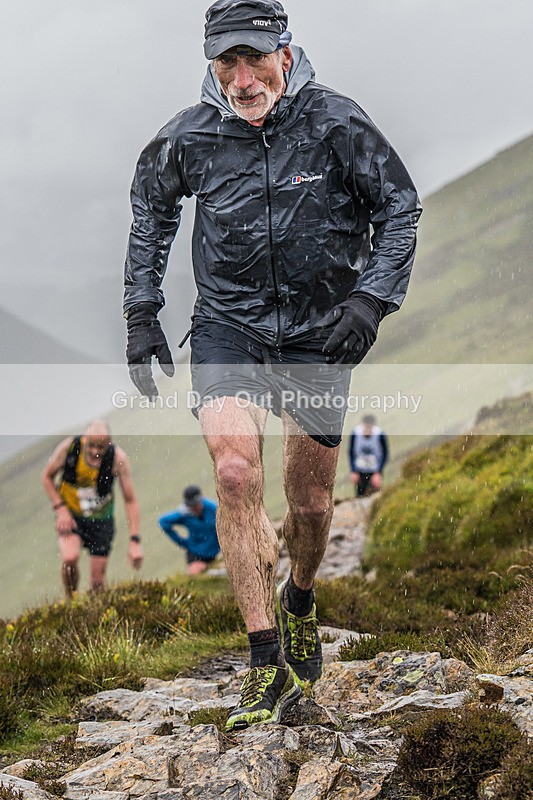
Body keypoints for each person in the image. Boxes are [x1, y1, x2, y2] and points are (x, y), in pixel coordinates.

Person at [123, 0, 421, 731]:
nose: (241, 75)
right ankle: (262, 659)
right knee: (233, 473)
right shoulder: (187, 136)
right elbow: (151, 214)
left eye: (254, 57)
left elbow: (400, 208)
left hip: (322, 330)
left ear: (284, 52)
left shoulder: (336, 123)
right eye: (226, 60)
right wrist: (140, 313)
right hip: (229, 326)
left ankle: (300, 597)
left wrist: (369, 303)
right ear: (211, 62)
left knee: (312, 505)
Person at [42, 420, 143, 597]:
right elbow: (47, 477)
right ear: (85, 440)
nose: (95, 452)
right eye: (91, 446)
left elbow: (130, 500)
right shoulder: (70, 448)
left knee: (97, 582)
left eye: (101, 448)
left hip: (101, 521)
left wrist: (135, 541)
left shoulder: (118, 459)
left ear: (109, 442)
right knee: (70, 558)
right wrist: (61, 510)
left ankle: (95, 612)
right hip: (71, 516)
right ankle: (71, 599)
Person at [158, 485, 220, 575]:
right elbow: (163, 522)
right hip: (196, 554)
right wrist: (182, 542)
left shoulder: (213, 508)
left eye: (197, 504)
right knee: (197, 576)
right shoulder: (184, 514)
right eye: (191, 505)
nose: (195, 508)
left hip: (216, 552)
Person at [349, 414, 389, 497]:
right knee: (360, 496)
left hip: (374, 471)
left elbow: (385, 454)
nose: (367, 429)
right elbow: (351, 452)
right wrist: (353, 470)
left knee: (375, 495)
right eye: (365, 426)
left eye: (369, 427)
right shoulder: (355, 433)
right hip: (359, 471)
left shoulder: (380, 434)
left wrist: (378, 472)